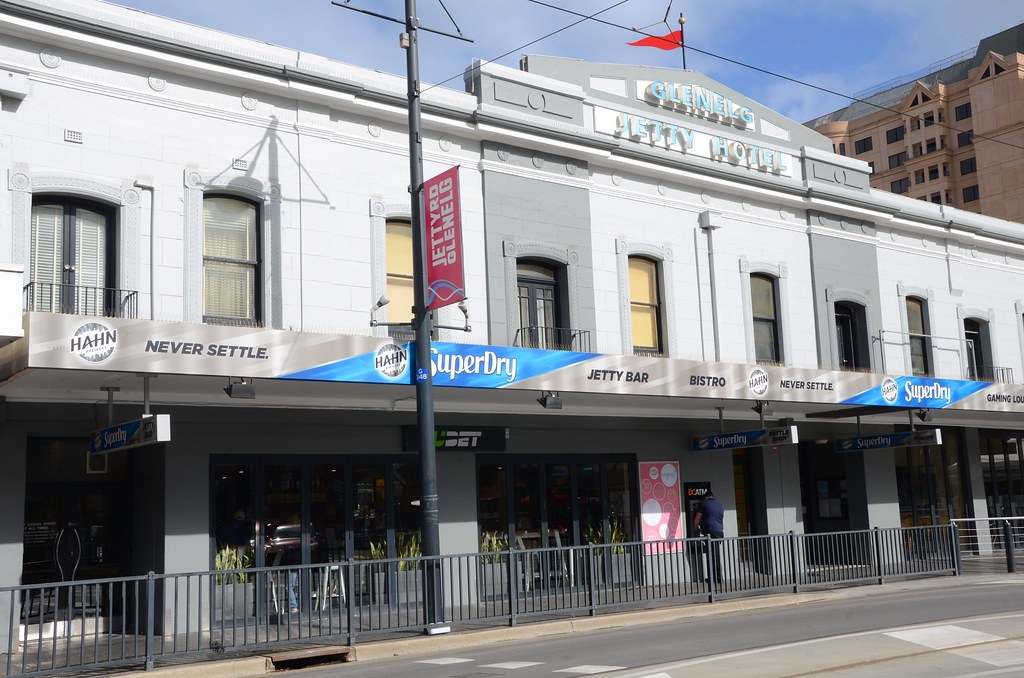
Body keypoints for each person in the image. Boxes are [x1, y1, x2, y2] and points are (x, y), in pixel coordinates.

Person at [693, 490, 725, 585]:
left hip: (710, 533)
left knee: (712, 556)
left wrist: (696, 530)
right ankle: (716, 577)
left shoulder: (704, 504)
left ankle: (716, 578)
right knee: (715, 555)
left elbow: (697, 519)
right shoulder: (720, 505)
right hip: (719, 532)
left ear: (706, 497)